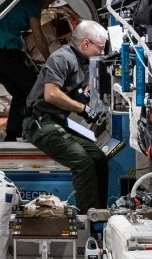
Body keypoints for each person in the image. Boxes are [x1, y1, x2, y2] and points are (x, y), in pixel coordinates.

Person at [22, 21, 111, 212]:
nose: (102, 53)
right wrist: (82, 108)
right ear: (85, 44)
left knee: (98, 157)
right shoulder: (62, 58)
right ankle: (88, 217)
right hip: (40, 122)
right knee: (82, 161)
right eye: (100, 48)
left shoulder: (84, 62)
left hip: (58, 121)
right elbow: (51, 94)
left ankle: (101, 213)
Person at [0, 0, 57, 141]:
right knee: (34, 87)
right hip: (2, 50)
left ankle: (13, 134)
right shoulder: (33, 2)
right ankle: (38, 130)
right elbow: (39, 36)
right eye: (50, 2)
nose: (47, 7)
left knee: (20, 92)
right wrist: (50, 61)